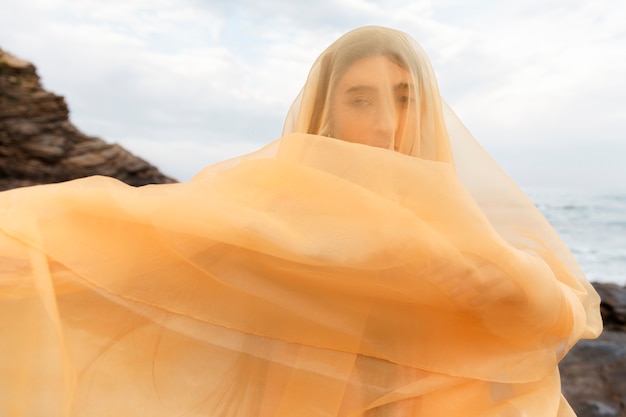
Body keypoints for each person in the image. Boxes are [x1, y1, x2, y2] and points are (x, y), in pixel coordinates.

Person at [0, 26, 601, 417]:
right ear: (327, 111)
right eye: (360, 99)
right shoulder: (273, 205)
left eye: (404, 97)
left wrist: (512, 288)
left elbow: (560, 318)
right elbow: (140, 242)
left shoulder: (466, 222)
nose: (386, 124)